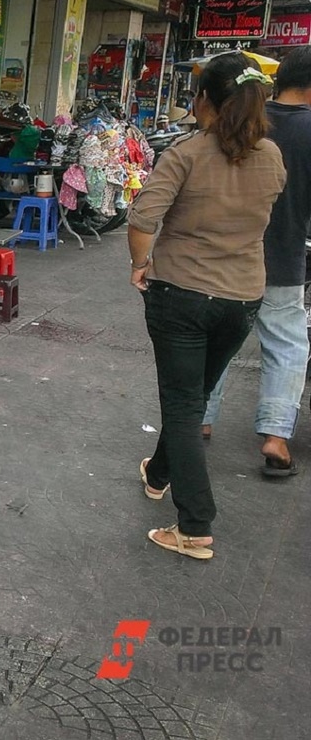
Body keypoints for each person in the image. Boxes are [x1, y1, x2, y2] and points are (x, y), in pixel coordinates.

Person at [127, 53, 286, 560]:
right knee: (193, 394)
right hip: (242, 298)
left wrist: (139, 263)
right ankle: (158, 475)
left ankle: (195, 525)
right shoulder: (271, 157)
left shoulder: (186, 153)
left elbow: (144, 217)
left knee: (183, 405)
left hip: (182, 294)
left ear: (205, 101)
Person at [201, 46, 311, 475]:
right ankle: (276, 438)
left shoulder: (246, 119)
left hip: (225, 255)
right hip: (284, 256)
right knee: (285, 343)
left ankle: (202, 420)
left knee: (219, 339)